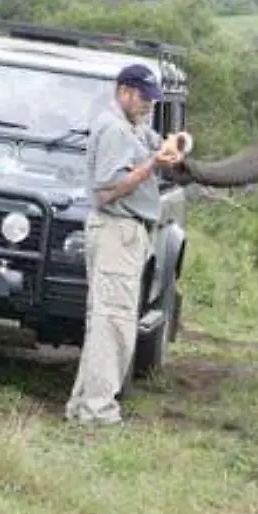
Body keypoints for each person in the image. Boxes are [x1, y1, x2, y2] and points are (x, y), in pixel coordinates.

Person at [65, 62, 182, 426]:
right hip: (117, 229)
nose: (149, 105)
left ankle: (84, 405)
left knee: (103, 320)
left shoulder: (131, 126)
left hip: (122, 232)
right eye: (144, 98)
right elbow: (107, 191)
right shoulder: (114, 129)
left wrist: (174, 147)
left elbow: (155, 145)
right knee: (113, 322)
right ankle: (99, 410)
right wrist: (151, 166)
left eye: (152, 99)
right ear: (124, 91)